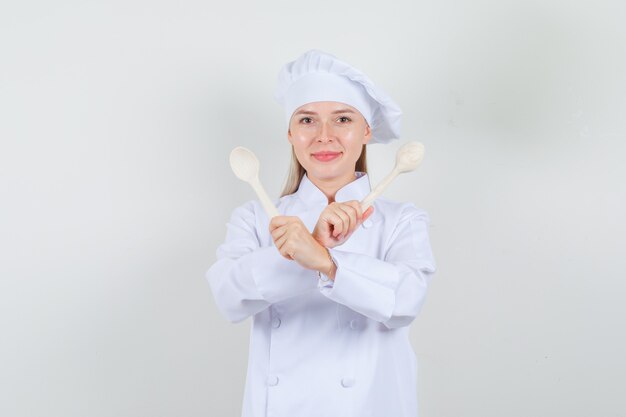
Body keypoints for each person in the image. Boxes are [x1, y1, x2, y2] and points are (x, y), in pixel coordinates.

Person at [206, 49, 436, 417]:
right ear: (290, 133)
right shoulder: (255, 217)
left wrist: (328, 263)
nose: (323, 136)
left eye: (342, 119)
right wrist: (306, 250)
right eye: (307, 120)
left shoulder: (401, 220)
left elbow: (405, 302)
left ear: (365, 131)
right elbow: (228, 297)